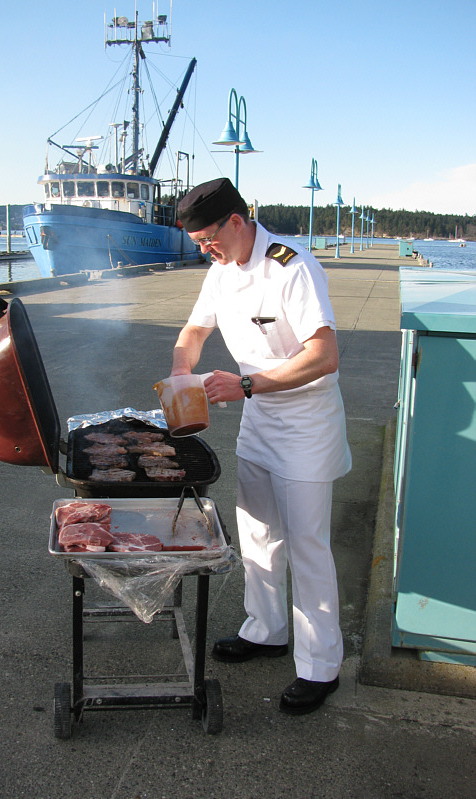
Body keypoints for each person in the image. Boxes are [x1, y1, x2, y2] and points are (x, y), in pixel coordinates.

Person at [172, 177, 352, 715]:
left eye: (208, 238)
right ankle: (266, 629)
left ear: (236, 220)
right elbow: (194, 332)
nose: (205, 249)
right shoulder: (219, 272)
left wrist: (248, 384)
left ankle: (321, 666)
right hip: (260, 420)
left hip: (305, 422)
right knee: (257, 534)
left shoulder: (291, 266)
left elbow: (325, 355)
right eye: (197, 242)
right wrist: (181, 376)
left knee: (307, 546)